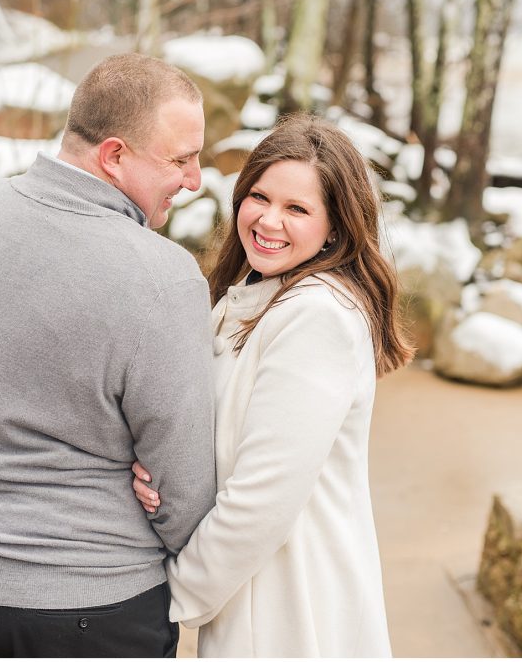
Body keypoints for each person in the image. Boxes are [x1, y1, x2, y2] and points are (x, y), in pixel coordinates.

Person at [0, 53, 218, 658]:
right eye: (181, 159)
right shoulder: (163, 277)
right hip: (77, 599)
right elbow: (182, 480)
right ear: (114, 156)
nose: (194, 179)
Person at [133, 113, 414, 657]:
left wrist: (170, 596)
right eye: (259, 197)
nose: (268, 221)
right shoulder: (248, 296)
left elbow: (263, 498)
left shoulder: (317, 317)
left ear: (335, 227)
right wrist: (158, 472)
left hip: (294, 604)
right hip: (249, 590)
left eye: (298, 209)